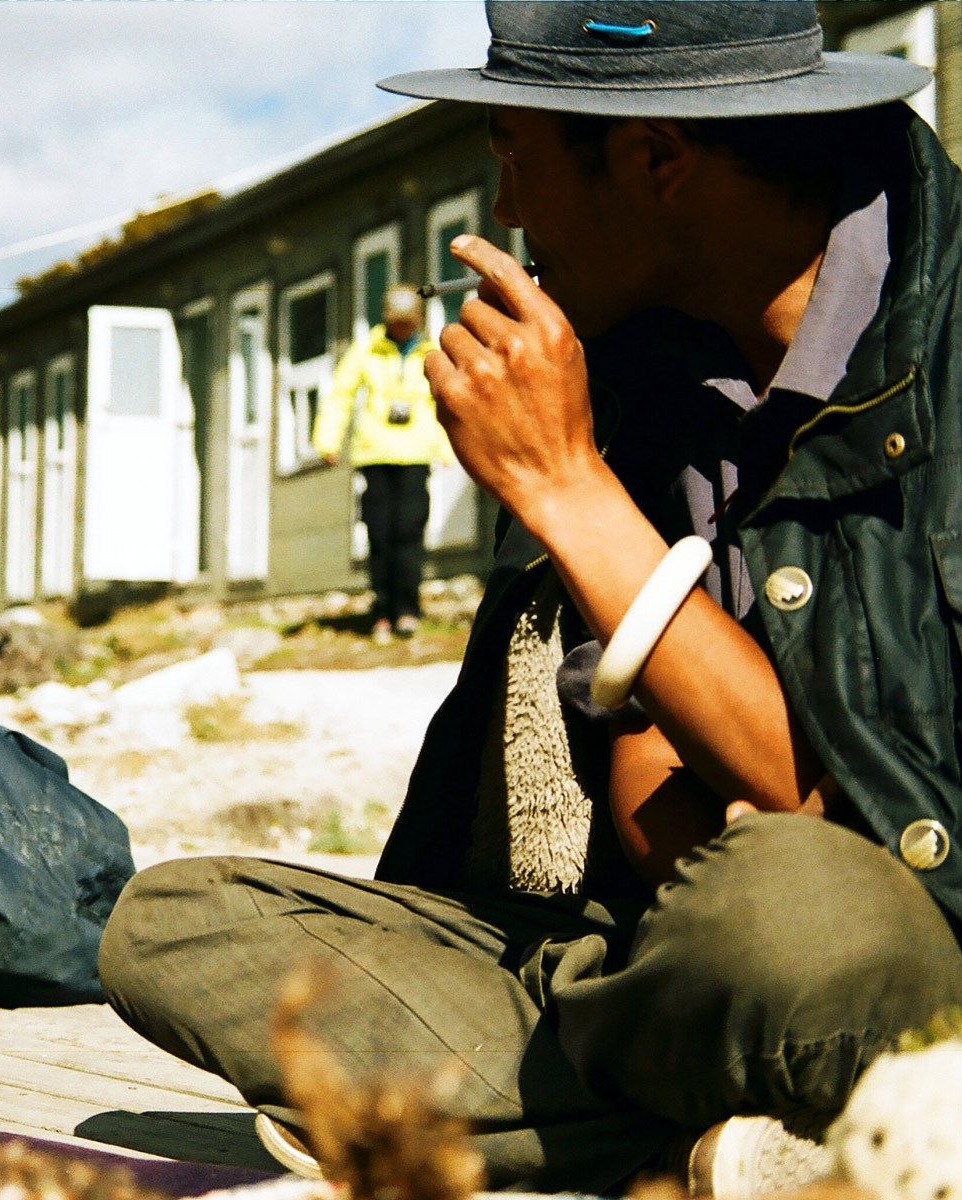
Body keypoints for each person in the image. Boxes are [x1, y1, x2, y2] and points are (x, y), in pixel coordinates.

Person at [98, 4, 962, 1197]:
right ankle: (728, 1142)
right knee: (167, 922)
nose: (504, 207)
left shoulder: (940, 362)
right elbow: (625, 801)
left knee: (794, 905)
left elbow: (857, 824)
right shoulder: (620, 368)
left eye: (514, 148)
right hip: (634, 967)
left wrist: (566, 491)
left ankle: (492, 1115)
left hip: (888, 958)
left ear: (655, 157)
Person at [313, 283, 451, 643]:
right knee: (379, 533)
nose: (403, 328)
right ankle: (382, 610)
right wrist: (328, 440)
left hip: (416, 454)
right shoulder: (366, 350)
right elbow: (340, 394)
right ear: (387, 319)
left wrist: (450, 447)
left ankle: (407, 608)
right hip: (375, 454)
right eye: (397, 322)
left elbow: (447, 399)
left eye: (409, 322)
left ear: (417, 321)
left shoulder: (430, 351)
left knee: (410, 531)